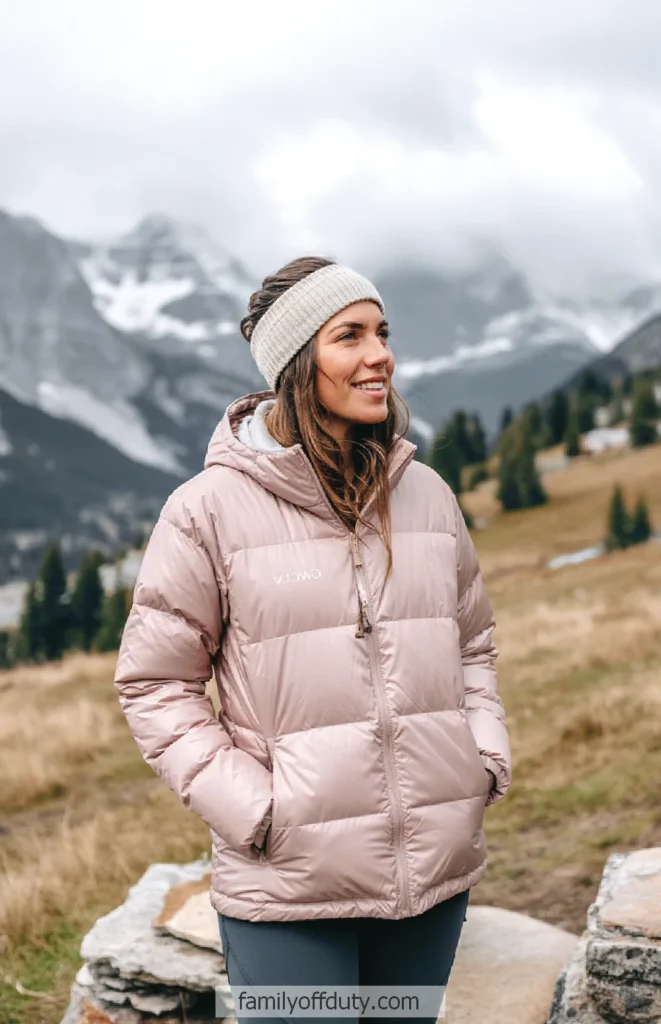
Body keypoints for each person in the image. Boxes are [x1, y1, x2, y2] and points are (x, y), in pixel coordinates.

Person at [114, 257, 512, 1023]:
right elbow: (154, 685)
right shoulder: (207, 512)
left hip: (428, 872)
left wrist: (479, 761)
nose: (379, 355)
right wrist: (257, 811)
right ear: (298, 363)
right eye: (349, 336)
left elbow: (472, 644)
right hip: (289, 887)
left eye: (383, 332)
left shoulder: (425, 495)